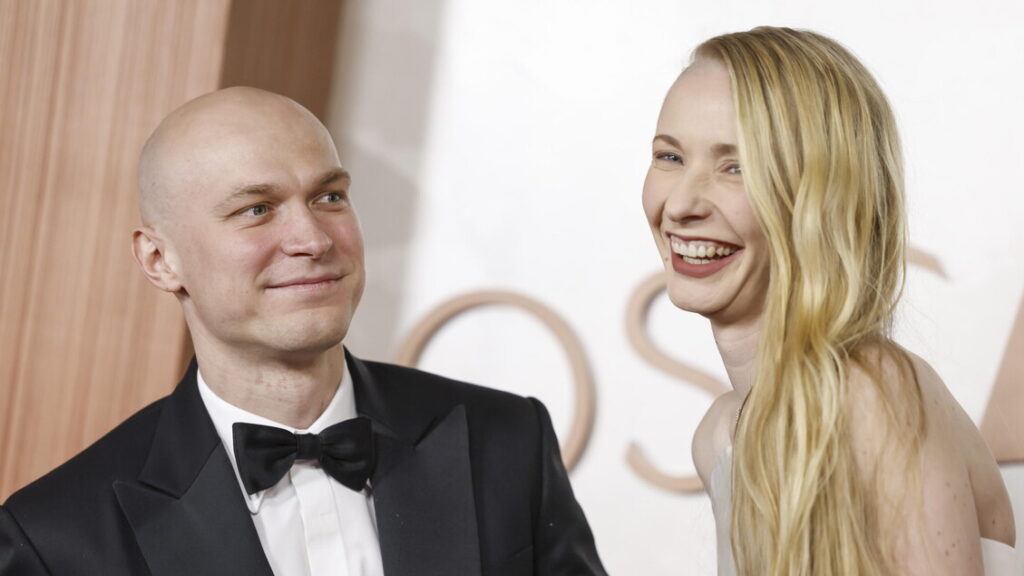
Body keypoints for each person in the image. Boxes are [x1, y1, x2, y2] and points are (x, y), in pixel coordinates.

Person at [0, 87, 607, 576]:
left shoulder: (506, 442)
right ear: (160, 260)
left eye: (329, 197)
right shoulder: (56, 538)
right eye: (256, 209)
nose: (313, 239)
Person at [641, 27, 1018, 576]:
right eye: (670, 156)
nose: (680, 205)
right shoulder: (719, 435)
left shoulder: (871, 392)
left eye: (736, 167)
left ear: (822, 197)